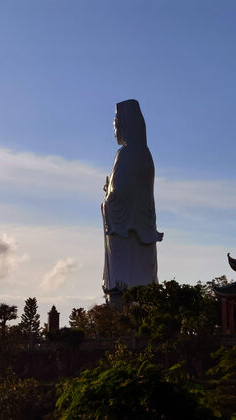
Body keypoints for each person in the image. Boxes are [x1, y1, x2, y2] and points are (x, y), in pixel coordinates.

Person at [102, 99, 163, 304]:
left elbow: (120, 196)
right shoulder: (145, 154)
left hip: (125, 230)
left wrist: (107, 200)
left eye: (116, 125)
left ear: (125, 126)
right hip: (142, 228)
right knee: (143, 272)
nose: (114, 130)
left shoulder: (126, 154)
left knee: (125, 277)